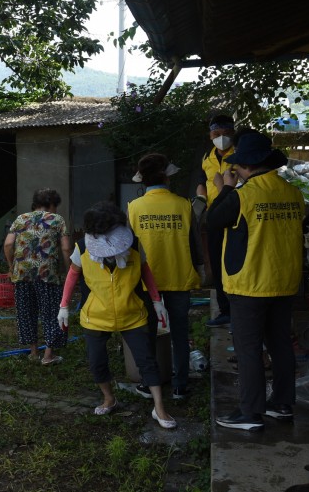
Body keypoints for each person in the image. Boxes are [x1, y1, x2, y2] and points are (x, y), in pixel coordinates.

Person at [207, 130, 303, 431]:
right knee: (280, 343)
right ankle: (283, 404)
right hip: (285, 281)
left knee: (248, 348)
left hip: (250, 284)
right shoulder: (292, 192)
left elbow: (210, 222)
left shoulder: (242, 196)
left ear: (244, 167)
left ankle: (250, 412)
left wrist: (225, 188)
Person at [58, 201, 177, 429]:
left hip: (132, 313)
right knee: (96, 361)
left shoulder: (133, 245)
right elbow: (73, 274)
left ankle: (159, 408)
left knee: (147, 361)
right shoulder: (82, 248)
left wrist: (156, 301)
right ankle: (109, 398)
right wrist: (64, 306)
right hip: (96, 315)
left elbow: (145, 271)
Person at [128, 154, 203, 400]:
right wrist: (201, 270)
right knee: (180, 334)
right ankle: (181, 385)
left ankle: (150, 384)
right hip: (180, 278)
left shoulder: (133, 207)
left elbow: (128, 249)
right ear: (166, 176)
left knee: (147, 333)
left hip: (144, 282)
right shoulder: (183, 204)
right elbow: (195, 245)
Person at [3, 188, 72, 364]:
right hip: (47, 274)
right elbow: (65, 248)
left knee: (26, 313)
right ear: (51, 204)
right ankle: (48, 355)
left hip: (22, 274)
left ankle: (33, 352)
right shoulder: (57, 220)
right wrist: (69, 270)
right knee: (52, 313)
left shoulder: (20, 219)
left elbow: (8, 244)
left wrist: (12, 267)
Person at [196, 114, 236, 328]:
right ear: (210, 134)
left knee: (235, 261)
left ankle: (238, 308)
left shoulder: (239, 154)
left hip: (237, 215)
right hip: (214, 217)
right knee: (217, 263)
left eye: (226, 133)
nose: (221, 138)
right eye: (216, 134)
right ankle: (224, 310)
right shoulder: (207, 156)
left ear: (233, 133)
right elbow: (201, 182)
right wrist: (200, 201)